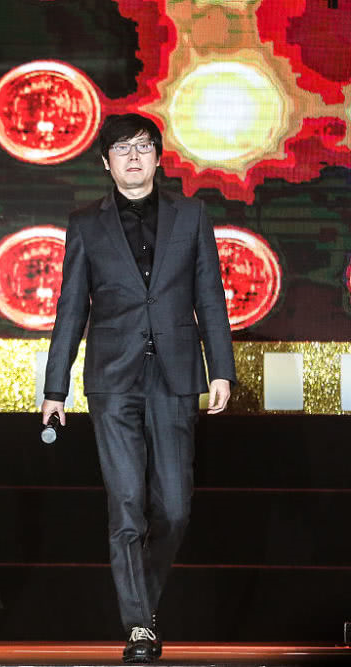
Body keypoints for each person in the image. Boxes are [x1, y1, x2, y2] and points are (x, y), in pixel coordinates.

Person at [41, 113, 236, 664]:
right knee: (126, 504)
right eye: (122, 149)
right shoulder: (86, 223)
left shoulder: (191, 215)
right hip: (112, 378)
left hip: (175, 374)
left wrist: (220, 368)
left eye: (143, 147)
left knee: (173, 508)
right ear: (106, 162)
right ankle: (138, 628)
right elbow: (71, 308)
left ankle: (142, 602)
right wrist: (55, 387)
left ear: (158, 157)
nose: (133, 157)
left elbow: (210, 295)